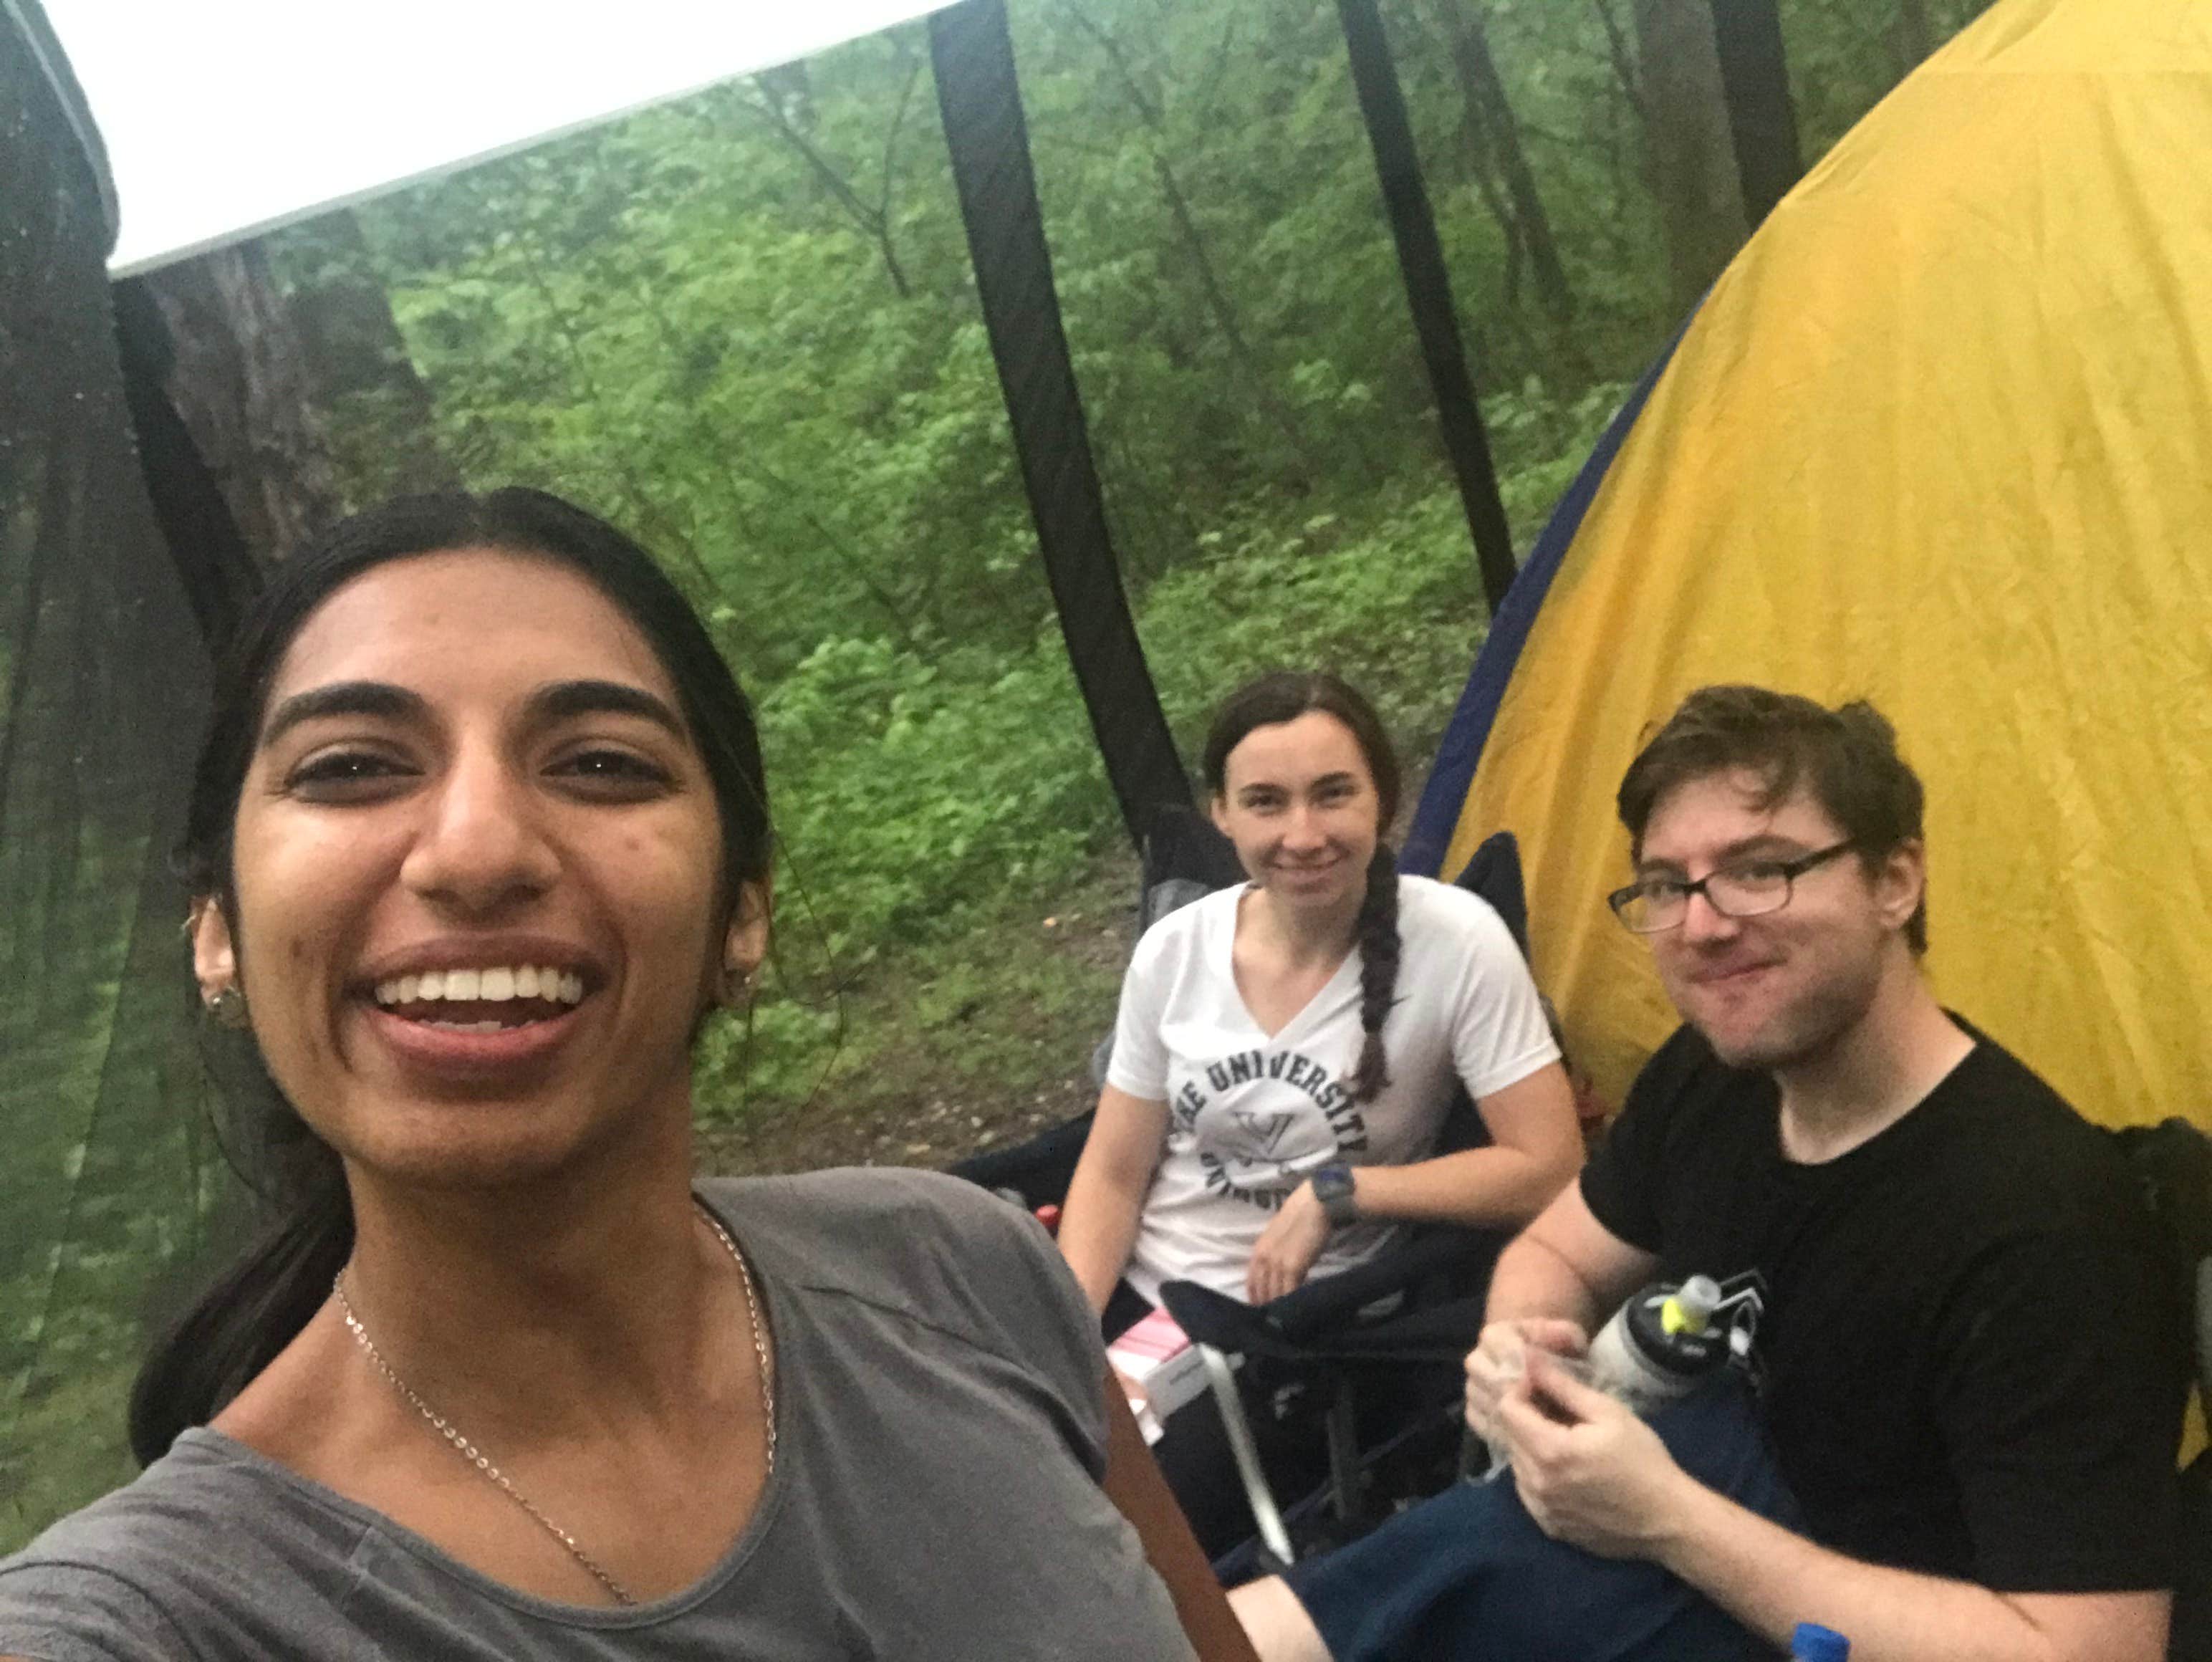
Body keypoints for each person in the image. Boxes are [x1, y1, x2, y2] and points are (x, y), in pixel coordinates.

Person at [0, 490, 1257, 1661]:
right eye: (352, 766)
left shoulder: (960, 1272)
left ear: (741, 913)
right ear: (216, 921)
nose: (478, 851)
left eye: (601, 762)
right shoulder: (160, 1620)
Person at [1230, 685, 2183, 1662]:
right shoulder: (1719, 1077)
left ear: (1896, 882)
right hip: (1653, 1532)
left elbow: (2094, 1650)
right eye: (1667, 887)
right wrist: (1522, 1349)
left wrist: (1666, 1518)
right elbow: (1560, 1245)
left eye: (1760, 871)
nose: (1703, 926)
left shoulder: (2041, 1227)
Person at [1055, 671, 1582, 1552]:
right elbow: (1113, 1171)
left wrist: (1343, 1190)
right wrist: (1067, 1342)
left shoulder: (1455, 944)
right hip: (1132, 1305)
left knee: (1093, 1526)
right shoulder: (1173, 952)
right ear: (1221, 813)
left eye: (1333, 793)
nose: (1302, 834)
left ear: (1383, 799)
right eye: (1265, 801)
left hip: (1283, 1342)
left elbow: (1549, 1165)